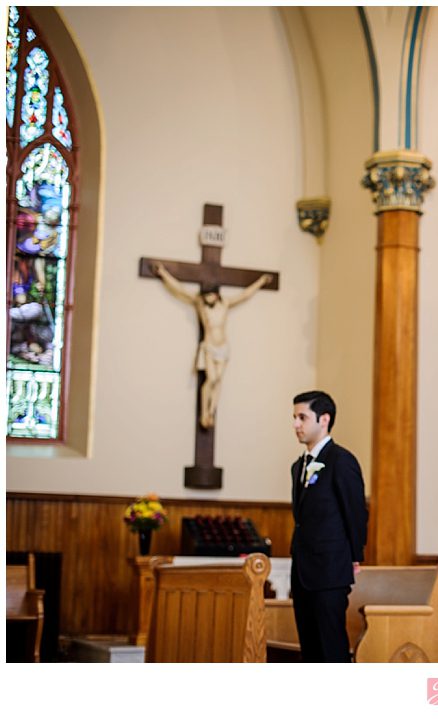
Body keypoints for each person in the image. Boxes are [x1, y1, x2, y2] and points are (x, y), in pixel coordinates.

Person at [289, 390, 368, 662]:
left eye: (302, 417)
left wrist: (356, 555)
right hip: (302, 570)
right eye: (294, 417)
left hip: (330, 570)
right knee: (309, 647)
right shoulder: (298, 467)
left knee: (330, 645)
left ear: (324, 419)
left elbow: (355, 512)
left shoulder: (341, 460)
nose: (296, 424)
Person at [152, 262, 271, 428]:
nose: (208, 298)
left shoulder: (225, 304)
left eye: (210, 295)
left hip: (223, 347)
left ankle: (211, 412)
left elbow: (244, 295)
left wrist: (261, 282)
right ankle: (204, 413)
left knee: (219, 380)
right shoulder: (200, 303)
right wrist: (164, 274)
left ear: (216, 295)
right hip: (209, 346)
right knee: (211, 378)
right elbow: (179, 290)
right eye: (206, 295)